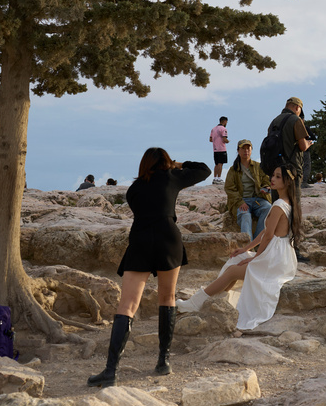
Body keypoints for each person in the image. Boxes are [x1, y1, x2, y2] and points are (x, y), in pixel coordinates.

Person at [87, 148, 210, 387]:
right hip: (168, 238)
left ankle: (111, 370)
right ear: (165, 162)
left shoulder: (134, 190)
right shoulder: (173, 177)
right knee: (167, 297)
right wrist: (177, 164)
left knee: (128, 304)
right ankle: (163, 361)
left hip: (141, 238)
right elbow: (204, 170)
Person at [176, 164, 302, 330]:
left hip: (274, 259)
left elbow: (269, 235)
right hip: (281, 256)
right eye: (273, 175)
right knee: (237, 258)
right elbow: (266, 231)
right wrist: (246, 249)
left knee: (233, 271)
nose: (272, 179)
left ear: (287, 182)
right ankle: (212, 301)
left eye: (278, 177)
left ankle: (195, 303)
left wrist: (254, 259)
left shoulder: (279, 205)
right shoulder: (288, 202)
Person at [224, 139, 273, 241]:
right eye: (243, 148)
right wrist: (240, 202)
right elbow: (229, 188)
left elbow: (266, 180)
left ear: (251, 150)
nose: (246, 151)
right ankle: (247, 246)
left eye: (248, 148)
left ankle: (257, 242)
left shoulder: (258, 166)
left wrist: (266, 187)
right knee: (245, 216)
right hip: (241, 200)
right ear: (238, 151)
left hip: (257, 199)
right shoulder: (233, 169)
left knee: (268, 208)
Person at [265, 98, 312, 197]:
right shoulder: (296, 120)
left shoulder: (274, 121)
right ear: (297, 107)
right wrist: (308, 143)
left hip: (275, 169)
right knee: (293, 204)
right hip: (292, 169)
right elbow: (303, 146)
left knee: (277, 203)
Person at [209, 116, 229, 185]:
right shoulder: (223, 129)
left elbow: (210, 139)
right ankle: (219, 178)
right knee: (220, 164)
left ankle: (215, 178)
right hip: (221, 149)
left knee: (216, 164)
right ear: (224, 121)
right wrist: (228, 141)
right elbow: (224, 139)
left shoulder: (213, 129)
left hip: (215, 149)